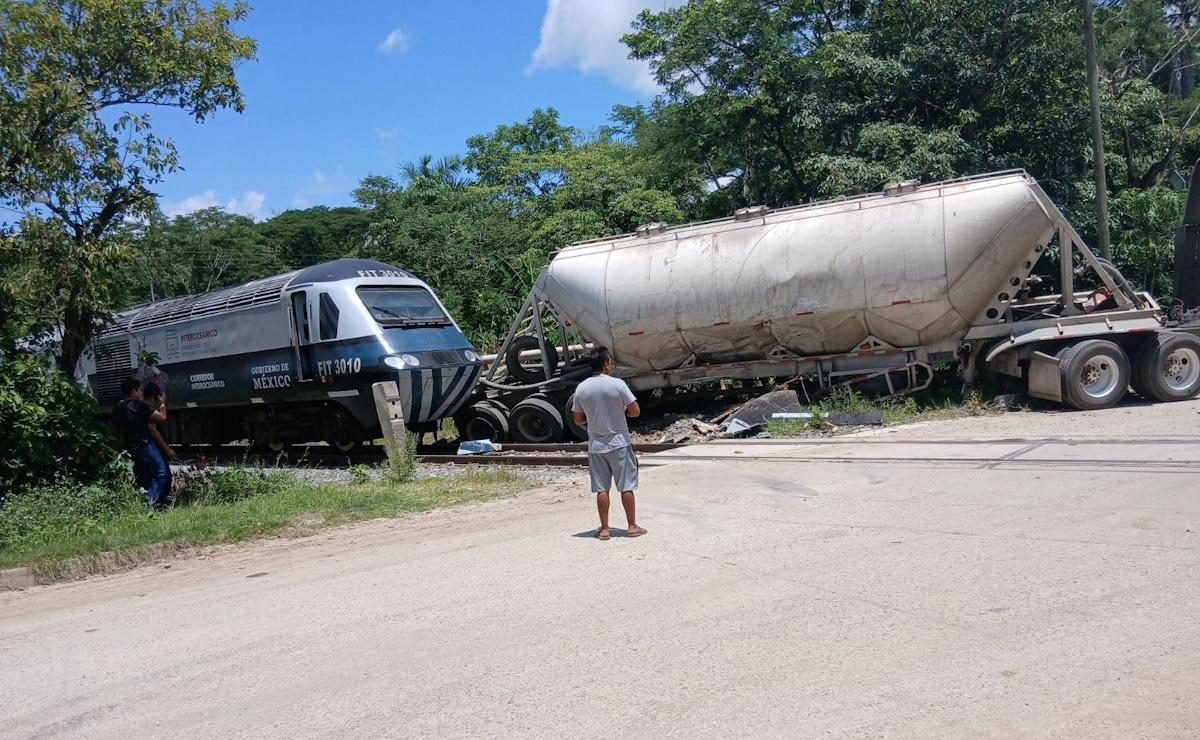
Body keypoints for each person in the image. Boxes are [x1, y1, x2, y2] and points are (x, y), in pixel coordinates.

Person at [571, 346, 646, 540]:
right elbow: (635, 411)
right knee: (626, 486)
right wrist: (620, 411)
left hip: (596, 445)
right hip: (620, 443)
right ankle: (631, 526)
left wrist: (594, 416)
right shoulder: (618, 385)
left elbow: (578, 419)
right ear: (606, 364)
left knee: (601, 488)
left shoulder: (582, 388)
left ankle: (604, 529)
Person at [112, 377, 173, 508]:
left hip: (131, 447)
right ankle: (148, 504)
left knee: (143, 475)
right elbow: (162, 417)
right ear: (133, 391)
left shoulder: (118, 407)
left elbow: (115, 431)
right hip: (145, 445)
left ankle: (151, 502)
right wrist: (163, 403)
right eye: (139, 390)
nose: (141, 393)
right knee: (161, 472)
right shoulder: (138, 405)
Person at [142, 381, 177, 463]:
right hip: (155, 448)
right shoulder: (147, 408)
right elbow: (162, 418)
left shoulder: (142, 406)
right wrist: (163, 403)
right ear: (155, 396)